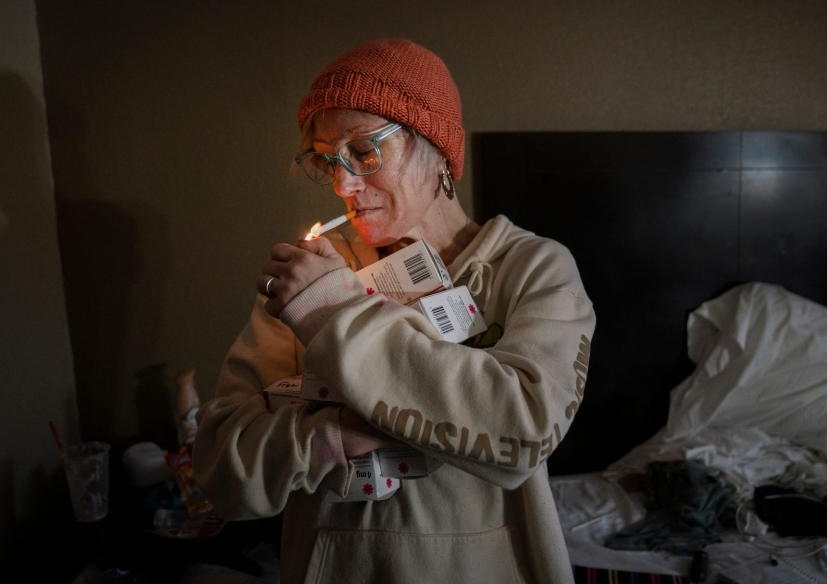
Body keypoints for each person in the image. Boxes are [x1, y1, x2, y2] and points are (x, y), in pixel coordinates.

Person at [194, 39, 596, 584]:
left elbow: (524, 433)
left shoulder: (532, 269)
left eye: (364, 151)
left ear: (437, 147)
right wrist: (331, 436)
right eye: (325, 159)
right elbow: (218, 472)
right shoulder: (311, 278)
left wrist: (331, 316)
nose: (343, 185)